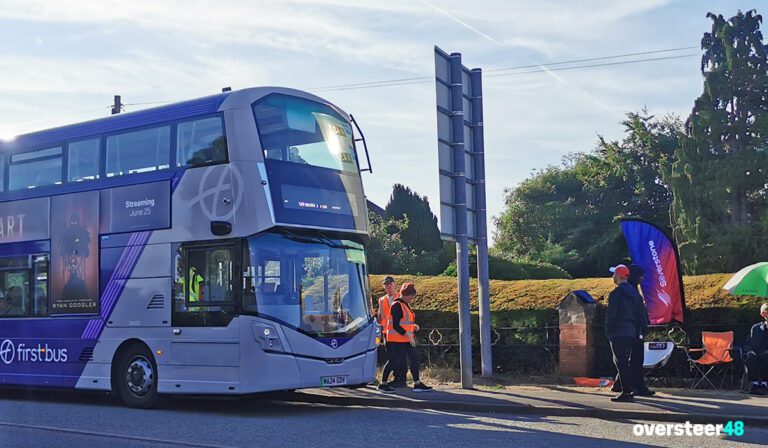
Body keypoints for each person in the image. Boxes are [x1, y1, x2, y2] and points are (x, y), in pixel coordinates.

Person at [612, 265, 655, 396]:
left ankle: (622, 384)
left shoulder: (627, 290)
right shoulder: (631, 292)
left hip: (629, 330)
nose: (642, 278)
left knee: (625, 360)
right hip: (634, 330)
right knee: (634, 359)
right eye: (640, 275)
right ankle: (634, 386)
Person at [605, 264, 645, 402]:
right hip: (632, 332)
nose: (612, 277)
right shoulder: (636, 295)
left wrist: (608, 331)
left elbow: (612, 316)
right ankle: (630, 389)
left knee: (620, 362)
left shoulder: (615, 294)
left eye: (613, 274)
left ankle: (627, 391)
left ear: (617, 276)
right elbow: (642, 315)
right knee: (627, 362)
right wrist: (639, 331)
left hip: (618, 332)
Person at [386, 283, 432, 392]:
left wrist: (413, 326)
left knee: (414, 360)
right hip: (398, 339)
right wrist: (408, 335)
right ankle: (383, 383)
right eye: (412, 296)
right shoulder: (397, 305)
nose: (412, 298)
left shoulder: (405, 304)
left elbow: (405, 322)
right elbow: (396, 325)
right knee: (394, 361)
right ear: (407, 295)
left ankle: (417, 383)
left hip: (406, 338)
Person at [377, 276, 399, 392]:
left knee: (396, 357)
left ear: (394, 284)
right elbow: (380, 317)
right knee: (392, 357)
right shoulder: (381, 300)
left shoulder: (399, 297)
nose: (388, 286)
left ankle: (396, 379)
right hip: (387, 332)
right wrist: (379, 331)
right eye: (386, 284)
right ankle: (386, 381)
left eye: (390, 283)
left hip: (399, 332)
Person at [746, 303, 768, 395]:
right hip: (757, 352)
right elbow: (750, 343)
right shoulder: (755, 328)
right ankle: (754, 383)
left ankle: (764, 384)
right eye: (766, 312)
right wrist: (751, 351)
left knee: (765, 356)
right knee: (750, 356)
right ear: (762, 314)